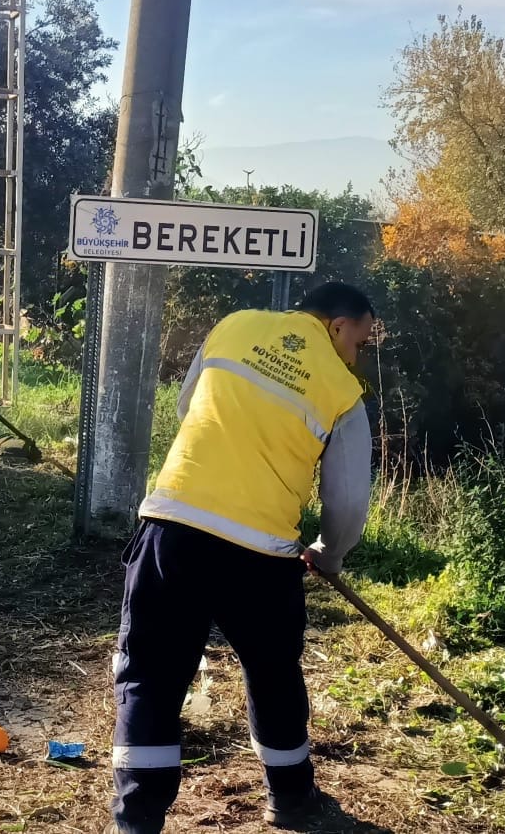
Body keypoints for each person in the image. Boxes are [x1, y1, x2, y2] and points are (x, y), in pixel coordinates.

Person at [108, 282, 377, 834]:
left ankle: (136, 821)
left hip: (172, 530)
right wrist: (329, 555)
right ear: (337, 326)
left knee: (151, 676)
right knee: (274, 672)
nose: (356, 355)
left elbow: (189, 406)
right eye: (360, 341)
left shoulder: (232, 327)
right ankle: (292, 799)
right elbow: (349, 500)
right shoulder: (342, 392)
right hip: (262, 556)